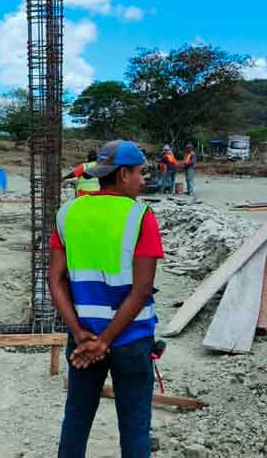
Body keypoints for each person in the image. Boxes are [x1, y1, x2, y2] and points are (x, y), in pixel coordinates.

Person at [48, 140, 164, 458]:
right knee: (135, 427)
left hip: (83, 337)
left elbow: (54, 279)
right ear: (123, 174)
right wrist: (107, 340)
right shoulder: (140, 216)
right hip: (132, 340)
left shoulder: (68, 212)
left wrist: (79, 333)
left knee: (76, 418)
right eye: (140, 173)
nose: (143, 180)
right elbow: (141, 290)